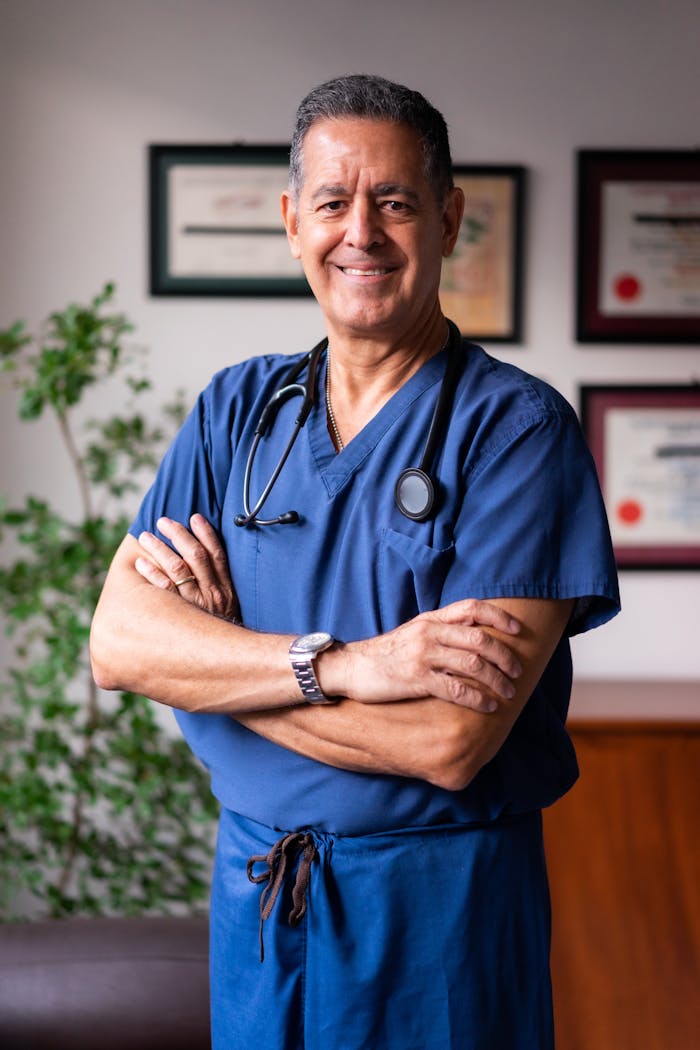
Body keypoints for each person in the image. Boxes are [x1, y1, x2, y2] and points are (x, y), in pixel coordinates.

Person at [90, 74, 620, 1050]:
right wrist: (337, 667)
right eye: (333, 202)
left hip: (439, 922)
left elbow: (448, 741)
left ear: (449, 218)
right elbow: (121, 643)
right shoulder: (237, 412)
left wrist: (214, 680)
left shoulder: (515, 433)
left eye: (395, 202)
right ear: (294, 222)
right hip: (259, 907)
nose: (361, 234)